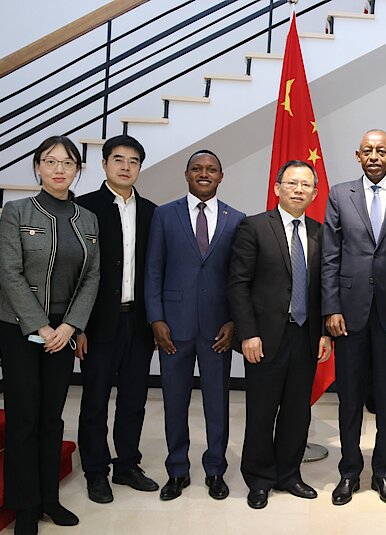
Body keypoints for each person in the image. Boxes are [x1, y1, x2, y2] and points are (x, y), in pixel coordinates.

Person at [0, 135, 100, 535]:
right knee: (24, 417)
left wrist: (70, 326)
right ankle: (25, 506)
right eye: (50, 161)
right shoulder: (17, 211)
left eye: (67, 162)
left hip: (63, 330)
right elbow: (9, 272)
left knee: (52, 417)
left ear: (77, 170)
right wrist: (41, 325)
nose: (59, 169)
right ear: (37, 167)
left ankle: (49, 498)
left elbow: (92, 276)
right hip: (19, 326)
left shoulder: (87, 218)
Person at [322, 129, 386, 506]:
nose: (374, 156)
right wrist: (331, 308)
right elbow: (330, 256)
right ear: (358, 155)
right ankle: (349, 471)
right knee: (349, 398)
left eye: (382, 151)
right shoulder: (339, 194)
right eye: (368, 150)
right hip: (348, 315)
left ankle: (383, 472)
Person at [228, 160, 332, 509]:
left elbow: (324, 288)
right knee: (261, 412)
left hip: (305, 336)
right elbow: (239, 284)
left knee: (297, 412)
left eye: (306, 185)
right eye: (292, 183)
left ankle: (289, 474)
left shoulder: (320, 232)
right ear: (277, 188)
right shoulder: (255, 226)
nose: (299, 190)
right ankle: (259, 479)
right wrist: (248, 333)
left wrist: (324, 333)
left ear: (314, 193)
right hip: (264, 338)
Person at [144, 149, 244, 502]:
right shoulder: (164, 215)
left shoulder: (236, 219)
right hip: (173, 327)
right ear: (186, 174)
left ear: (221, 176)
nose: (204, 174)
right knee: (174, 401)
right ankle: (177, 469)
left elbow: (240, 278)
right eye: (197, 169)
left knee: (218, 401)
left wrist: (234, 321)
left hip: (218, 329)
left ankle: (215, 469)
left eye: (211, 169)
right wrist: (156, 319)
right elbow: (153, 270)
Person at [75, 135, 158, 504]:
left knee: (134, 399)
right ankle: (96, 472)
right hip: (97, 324)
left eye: (133, 161)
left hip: (138, 322)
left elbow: (155, 271)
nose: (126, 167)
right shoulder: (84, 208)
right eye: (119, 159)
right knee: (94, 401)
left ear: (140, 167)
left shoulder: (152, 212)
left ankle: (127, 465)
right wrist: (78, 327)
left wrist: (155, 322)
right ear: (105, 164)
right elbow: (75, 272)